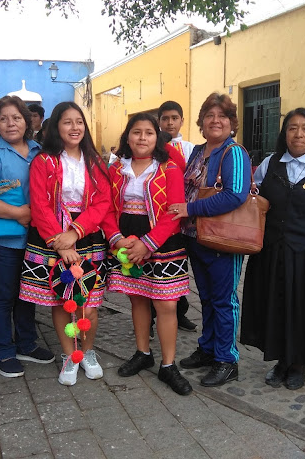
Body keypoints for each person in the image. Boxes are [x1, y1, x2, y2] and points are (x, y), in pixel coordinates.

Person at [240, 108, 305, 390]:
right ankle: (281, 360)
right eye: (292, 128)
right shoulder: (270, 163)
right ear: (284, 134)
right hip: (271, 252)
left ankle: (298, 365)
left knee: (302, 309)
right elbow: (253, 199)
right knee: (274, 305)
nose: (298, 134)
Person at [19, 102, 110, 386]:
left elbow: (103, 202)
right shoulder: (43, 161)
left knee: (89, 304)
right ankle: (70, 355)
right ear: (56, 126)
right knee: (62, 300)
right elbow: (40, 204)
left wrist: (75, 232)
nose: (74, 127)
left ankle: (88, 352)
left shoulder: (95, 162)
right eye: (67, 122)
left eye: (79, 122)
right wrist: (61, 243)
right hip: (53, 237)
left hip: (87, 236)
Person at [104, 113, 192, 396]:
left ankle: (168, 364)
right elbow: (106, 208)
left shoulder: (170, 169)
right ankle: (143, 353)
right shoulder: (115, 169)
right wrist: (117, 239)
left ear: (158, 138)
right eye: (136, 132)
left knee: (166, 304)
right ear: (127, 136)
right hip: (126, 241)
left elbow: (175, 212)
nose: (142, 138)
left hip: (163, 242)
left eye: (149, 133)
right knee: (138, 298)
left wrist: (148, 244)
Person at [169, 93, 250, 387]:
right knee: (206, 298)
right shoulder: (197, 151)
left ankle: (227, 359)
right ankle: (208, 348)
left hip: (223, 240)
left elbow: (235, 195)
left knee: (224, 300)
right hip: (195, 237)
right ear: (202, 122)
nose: (215, 121)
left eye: (222, 116)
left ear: (232, 123)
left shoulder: (234, 152)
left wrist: (190, 209)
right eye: (209, 116)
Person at [0, 96, 54, 378]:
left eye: (16, 117)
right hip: (5, 240)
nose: (10, 123)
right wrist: (18, 213)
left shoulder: (37, 150)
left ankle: (26, 344)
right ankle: (3, 352)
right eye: (3, 118)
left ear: (27, 121)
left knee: (28, 293)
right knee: (3, 296)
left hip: (34, 239)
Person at [157, 100, 196, 333]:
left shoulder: (191, 149)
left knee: (178, 268)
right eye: (165, 118)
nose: (170, 123)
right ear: (159, 121)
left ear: (182, 120)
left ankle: (179, 312)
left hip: (185, 216)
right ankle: (150, 318)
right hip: (159, 217)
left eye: (174, 118)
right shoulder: (152, 144)